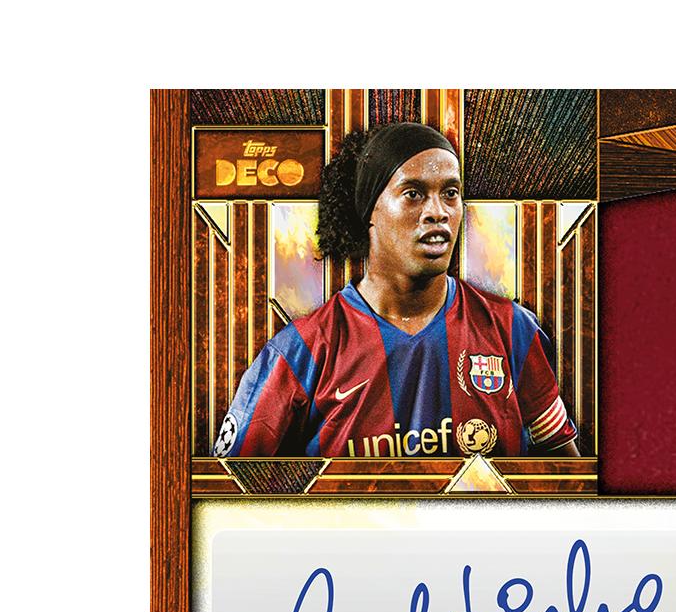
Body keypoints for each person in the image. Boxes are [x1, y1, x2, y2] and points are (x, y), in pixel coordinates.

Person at [213, 122, 579, 458]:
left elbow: (568, 480)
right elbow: (230, 489)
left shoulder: (511, 329)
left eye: (450, 193)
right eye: (414, 194)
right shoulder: (302, 352)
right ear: (370, 210)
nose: (437, 212)